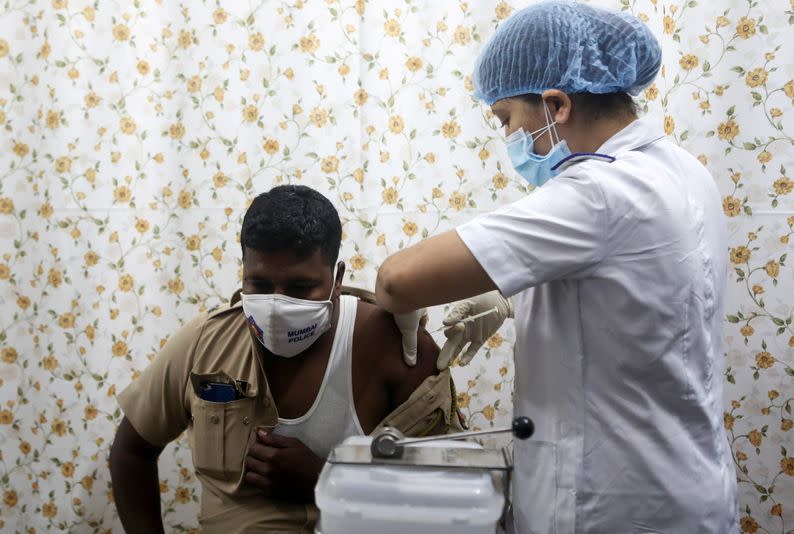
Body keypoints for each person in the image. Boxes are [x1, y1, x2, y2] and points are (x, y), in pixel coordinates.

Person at [375, 2, 737, 533]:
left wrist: (400, 310)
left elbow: (395, 280)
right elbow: (629, 290)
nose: (510, 141)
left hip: (613, 505)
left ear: (557, 104)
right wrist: (508, 297)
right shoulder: (681, 169)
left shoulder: (598, 192)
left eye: (507, 121)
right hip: (685, 484)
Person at [110, 185, 464, 533]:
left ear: (336, 279)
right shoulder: (208, 341)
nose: (276, 305)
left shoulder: (394, 345)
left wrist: (329, 478)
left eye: (299, 288)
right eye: (259, 285)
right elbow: (131, 451)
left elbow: (448, 492)